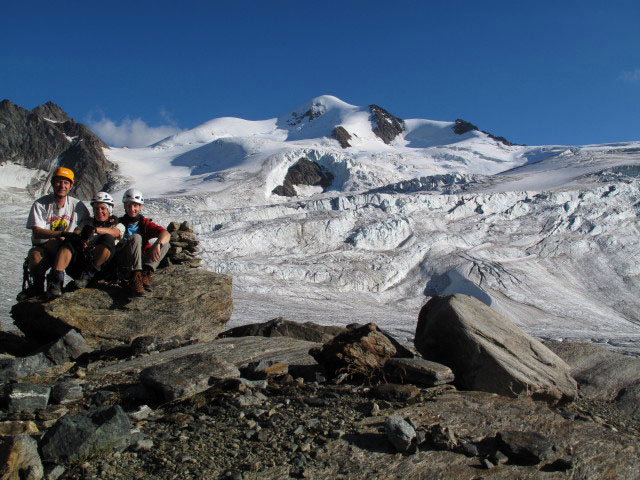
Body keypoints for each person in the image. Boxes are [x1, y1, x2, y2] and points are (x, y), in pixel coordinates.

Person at [18, 166, 90, 300]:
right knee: (34, 255)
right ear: (52, 183)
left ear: (71, 186)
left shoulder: (77, 205)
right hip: (43, 248)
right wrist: (62, 234)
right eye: (59, 182)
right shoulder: (40, 204)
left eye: (66, 182)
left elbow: (86, 222)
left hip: (65, 249)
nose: (62, 186)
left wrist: (77, 232)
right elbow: (37, 232)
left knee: (66, 246)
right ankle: (37, 287)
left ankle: (55, 283)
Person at [45, 192, 125, 299]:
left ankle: (88, 275)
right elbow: (77, 232)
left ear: (109, 210)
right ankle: (56, 281)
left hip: (101, 270)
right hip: (81, 265)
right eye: (96, 209)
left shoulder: (117, 225)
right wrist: (80, 237)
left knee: (107, 238)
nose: (99, 211)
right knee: (70, 241)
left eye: (102, 208)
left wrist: (95, 230)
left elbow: (116, 233)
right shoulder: (86, 222)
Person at [116, 188, 170, 296]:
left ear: (140, 207)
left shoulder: (144, 223)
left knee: (166, 244)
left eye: (135, 205)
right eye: (129, 205)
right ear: (125, 207)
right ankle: (135, 277)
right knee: (136, 237)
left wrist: (158, 244)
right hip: (125, 261)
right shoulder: (118, 223)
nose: (132, 209)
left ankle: (146, 274)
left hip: (141, 260)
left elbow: (166, 234)